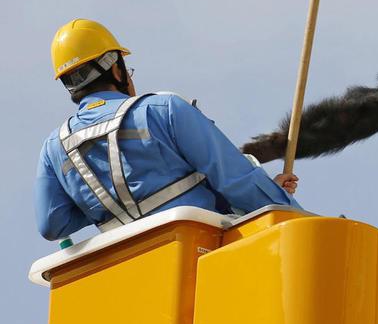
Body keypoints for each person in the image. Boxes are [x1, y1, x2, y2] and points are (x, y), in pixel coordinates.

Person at [35, 18, 301, 241]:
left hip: (129, 270)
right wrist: (287, 209)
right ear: (116, 69)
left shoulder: (54, 148)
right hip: (199, 251)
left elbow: (52, 224)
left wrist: (101, 204)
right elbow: (236, 180)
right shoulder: (162, 110)